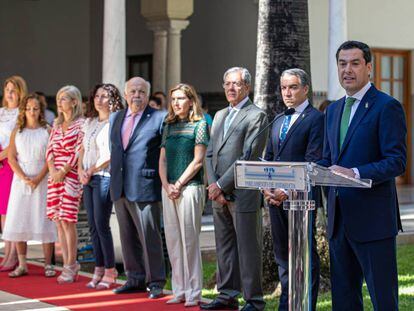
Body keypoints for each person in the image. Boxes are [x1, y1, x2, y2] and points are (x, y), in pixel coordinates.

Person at [318, 41, 406, 310]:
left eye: (355, 63)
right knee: (343, 300)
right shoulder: (332, 110)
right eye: (342, 64)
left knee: (383, 299)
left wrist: (355, 173)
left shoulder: (386, 106)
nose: (348, 69)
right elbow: (327, 159)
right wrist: (305, 175)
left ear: (369, 67)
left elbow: (396, 161)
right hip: (338, 220)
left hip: (373, 221)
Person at [203, 67, 268, 311]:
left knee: (248, 248)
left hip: (243, 193)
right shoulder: (219, 115)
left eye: (237, 84)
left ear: (247, 87)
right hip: (217, 194)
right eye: (227, 83)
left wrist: (220, 185)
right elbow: (210, 153)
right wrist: (213, 185)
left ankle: (254, 301)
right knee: (225, 245)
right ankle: (227, 295)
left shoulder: (256, 115)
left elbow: (247, 157)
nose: (231, 88)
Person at [263, 68, 322, 311]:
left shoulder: (316, 118)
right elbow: (268, 158)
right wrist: (267, 189)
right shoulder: (278, 119)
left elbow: (313, 159)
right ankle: (286, 305)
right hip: (275, 200)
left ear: (305, 89)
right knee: (283, 258)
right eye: (284, 87)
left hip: (301, 199)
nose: (287, 92)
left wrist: (285, 191)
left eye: (293, 87)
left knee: (305, 257)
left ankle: (306, 305)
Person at [109, 77, 166, 299]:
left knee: (149, 237)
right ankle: (134, 279)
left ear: (148, 95)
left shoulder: (159, 117)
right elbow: (116, 151)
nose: (137, 95)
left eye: (142, 91)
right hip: (120, 185)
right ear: (125, 95)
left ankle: (156, 282)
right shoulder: (115, 118)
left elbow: (163, 153)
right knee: (127, 236)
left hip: (145, 185)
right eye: (132, 91)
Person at [159, 83, 209, 307]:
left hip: (190, 188)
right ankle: (178, 289)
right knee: (173, 240)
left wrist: (178, 183)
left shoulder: (199, 124)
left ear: (191, 100)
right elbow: (162, 159)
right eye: (173, 99)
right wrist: (167, 185)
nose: (176, 103)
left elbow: (198, 161)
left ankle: (194, 291)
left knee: (189, 241)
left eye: (180, 98)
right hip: (168, 189)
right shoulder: (168, 125)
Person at [2, 93, 57, 278]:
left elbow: (51, 158)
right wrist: (24, 177)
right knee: (20, 218)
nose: (32, 112)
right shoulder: (17, 131)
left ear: (40, 110)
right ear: (23, 110)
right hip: (21, 179)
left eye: (35, 109)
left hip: (42, 178)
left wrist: (38, 178)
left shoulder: (47, 130)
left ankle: (49, 264)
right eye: (28, 109)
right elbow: (11, 157)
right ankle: (22, 263)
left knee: (44, 220)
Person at [78, 83, 123, 289]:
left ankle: (110, 270)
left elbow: (111, 155)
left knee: (102, 224)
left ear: (112, 100)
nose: (99, 100)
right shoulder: (89, 122)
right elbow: (82, 148)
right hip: (87, 178)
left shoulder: (115, 122)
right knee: (92, 227)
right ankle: (98, 268)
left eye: (104, 96)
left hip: (103, 176)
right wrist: (80, 169)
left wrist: (91, 171)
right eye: (96, 96)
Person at [46, 85, 84, 284]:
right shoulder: (56, 123)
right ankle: (67, 263)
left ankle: (71, 264)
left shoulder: (81, 125)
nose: (59, 102)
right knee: (58, 220)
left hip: (70, 177)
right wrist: (53, 170)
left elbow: (78, 151)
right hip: (54, 177)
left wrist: (63, 171)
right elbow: (49, 149)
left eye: (64, 99)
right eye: (59, 98)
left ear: (74, 102)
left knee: (68, 220)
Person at [0, 75, 27, 272]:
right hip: (1, 163)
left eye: (13, 90)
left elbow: (14, 143)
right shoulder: (1, 112)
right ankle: (6, 252)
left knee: (12, 210)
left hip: (11, 162)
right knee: (2, 211)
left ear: (20, 93)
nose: (9, 93)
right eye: (7, 89)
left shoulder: (22, 113)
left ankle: (13, 255)